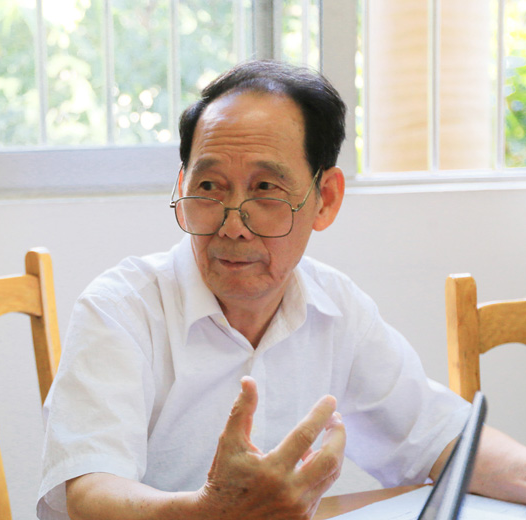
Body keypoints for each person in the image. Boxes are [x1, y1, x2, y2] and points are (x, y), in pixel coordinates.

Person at [38, 60, 526, 520]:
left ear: (325, 199)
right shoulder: (121, 309)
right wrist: (208, 512)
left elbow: (445, 440)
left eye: (265, 189)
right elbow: (89, 492)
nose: (233, 225)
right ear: (183, 187)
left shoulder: (336, 308)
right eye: (209, 187)